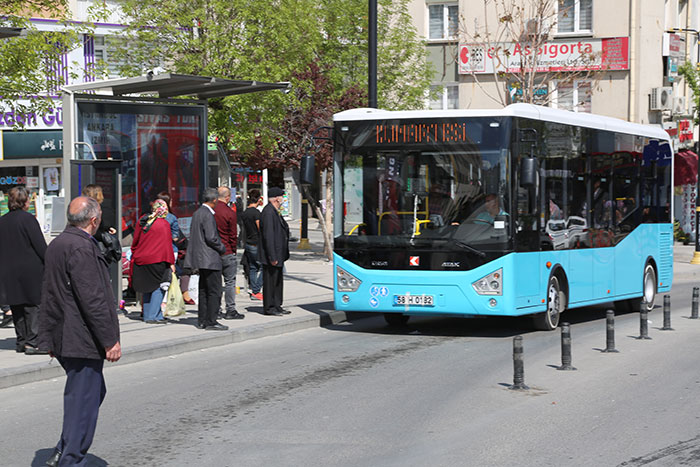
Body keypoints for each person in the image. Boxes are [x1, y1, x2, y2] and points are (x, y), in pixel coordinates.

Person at [38, 196, 121, 467]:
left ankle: (64, 448)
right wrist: (110, 340)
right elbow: (93, 299)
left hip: (65, 333)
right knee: (83, 401)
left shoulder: (58, 244)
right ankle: (71, 458)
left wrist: (49, 336)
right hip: (81, 336)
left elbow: (50, 294)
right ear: (94, 221)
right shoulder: (82, 248)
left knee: (90, 394)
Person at [0, 186, 48, 355]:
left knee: (17, 305)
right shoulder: (28, 219)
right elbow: (40, 246)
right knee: (34, 305)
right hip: (30, 269)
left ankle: (21, 340)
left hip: (8, 270)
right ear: (25, 201)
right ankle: (32, 342)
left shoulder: (2, 221)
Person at [185, 188, 228, 330]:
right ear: (215, 200)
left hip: (200, 258)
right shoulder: (208, 215)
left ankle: (202, 319)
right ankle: (211, 320)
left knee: (203, 290)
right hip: (210, 258)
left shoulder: (197, 213)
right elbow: (211, 237)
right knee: (214, 291)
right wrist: (222, 248)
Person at [131, 199, 175, 324]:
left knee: (147, 287)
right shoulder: (163, 224)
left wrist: (135, 253)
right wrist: (171, 262)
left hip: (141, 258)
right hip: (158, 259)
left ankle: (149, 314)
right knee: (159, 287)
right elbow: (167, 245)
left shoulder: (143, 221)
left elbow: (135, 241)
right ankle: (153, 316)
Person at [259, 186, 291, 316]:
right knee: (270, 281)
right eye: (282, 196)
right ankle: (269, 307)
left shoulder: (275, 211)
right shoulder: (268, 212)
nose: (284, 199)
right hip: (271, 255)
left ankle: (277, 305)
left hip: (279, 253)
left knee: (277, 281)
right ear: (276, 198)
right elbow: (268, 236)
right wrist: (272, 256)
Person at [214, 186, 244, 320]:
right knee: (230, 282)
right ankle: (230, 309)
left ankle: (217, 309)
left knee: (216, 282)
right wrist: (233, 249)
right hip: (227, 250)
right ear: (227, 197)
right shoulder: (229, 212)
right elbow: (233, 234)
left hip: (213, 252)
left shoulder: (211, 210)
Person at [241, 189, 263, 300]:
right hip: (256, 242)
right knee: (264, 267)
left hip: (248, 242)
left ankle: (254, 291)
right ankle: (256, 290)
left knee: (253, 267)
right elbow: (260, 228)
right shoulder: (256, 213)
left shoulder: (245, 213)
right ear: (259, 199)